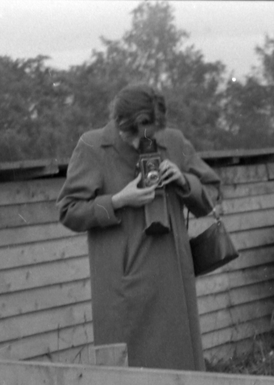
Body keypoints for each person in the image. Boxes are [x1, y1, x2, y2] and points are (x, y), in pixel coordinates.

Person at [58, 84, 221, 370]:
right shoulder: (93, 147)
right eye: (135, 137)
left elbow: (212, 193)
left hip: (173, 286)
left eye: (151, 135)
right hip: (123, 289)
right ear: (120, 123)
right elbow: (69, 211)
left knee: (182, 375)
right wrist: (119, 200)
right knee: (130, 379)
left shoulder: (173, 142)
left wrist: (184, 181)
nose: (143, 144)